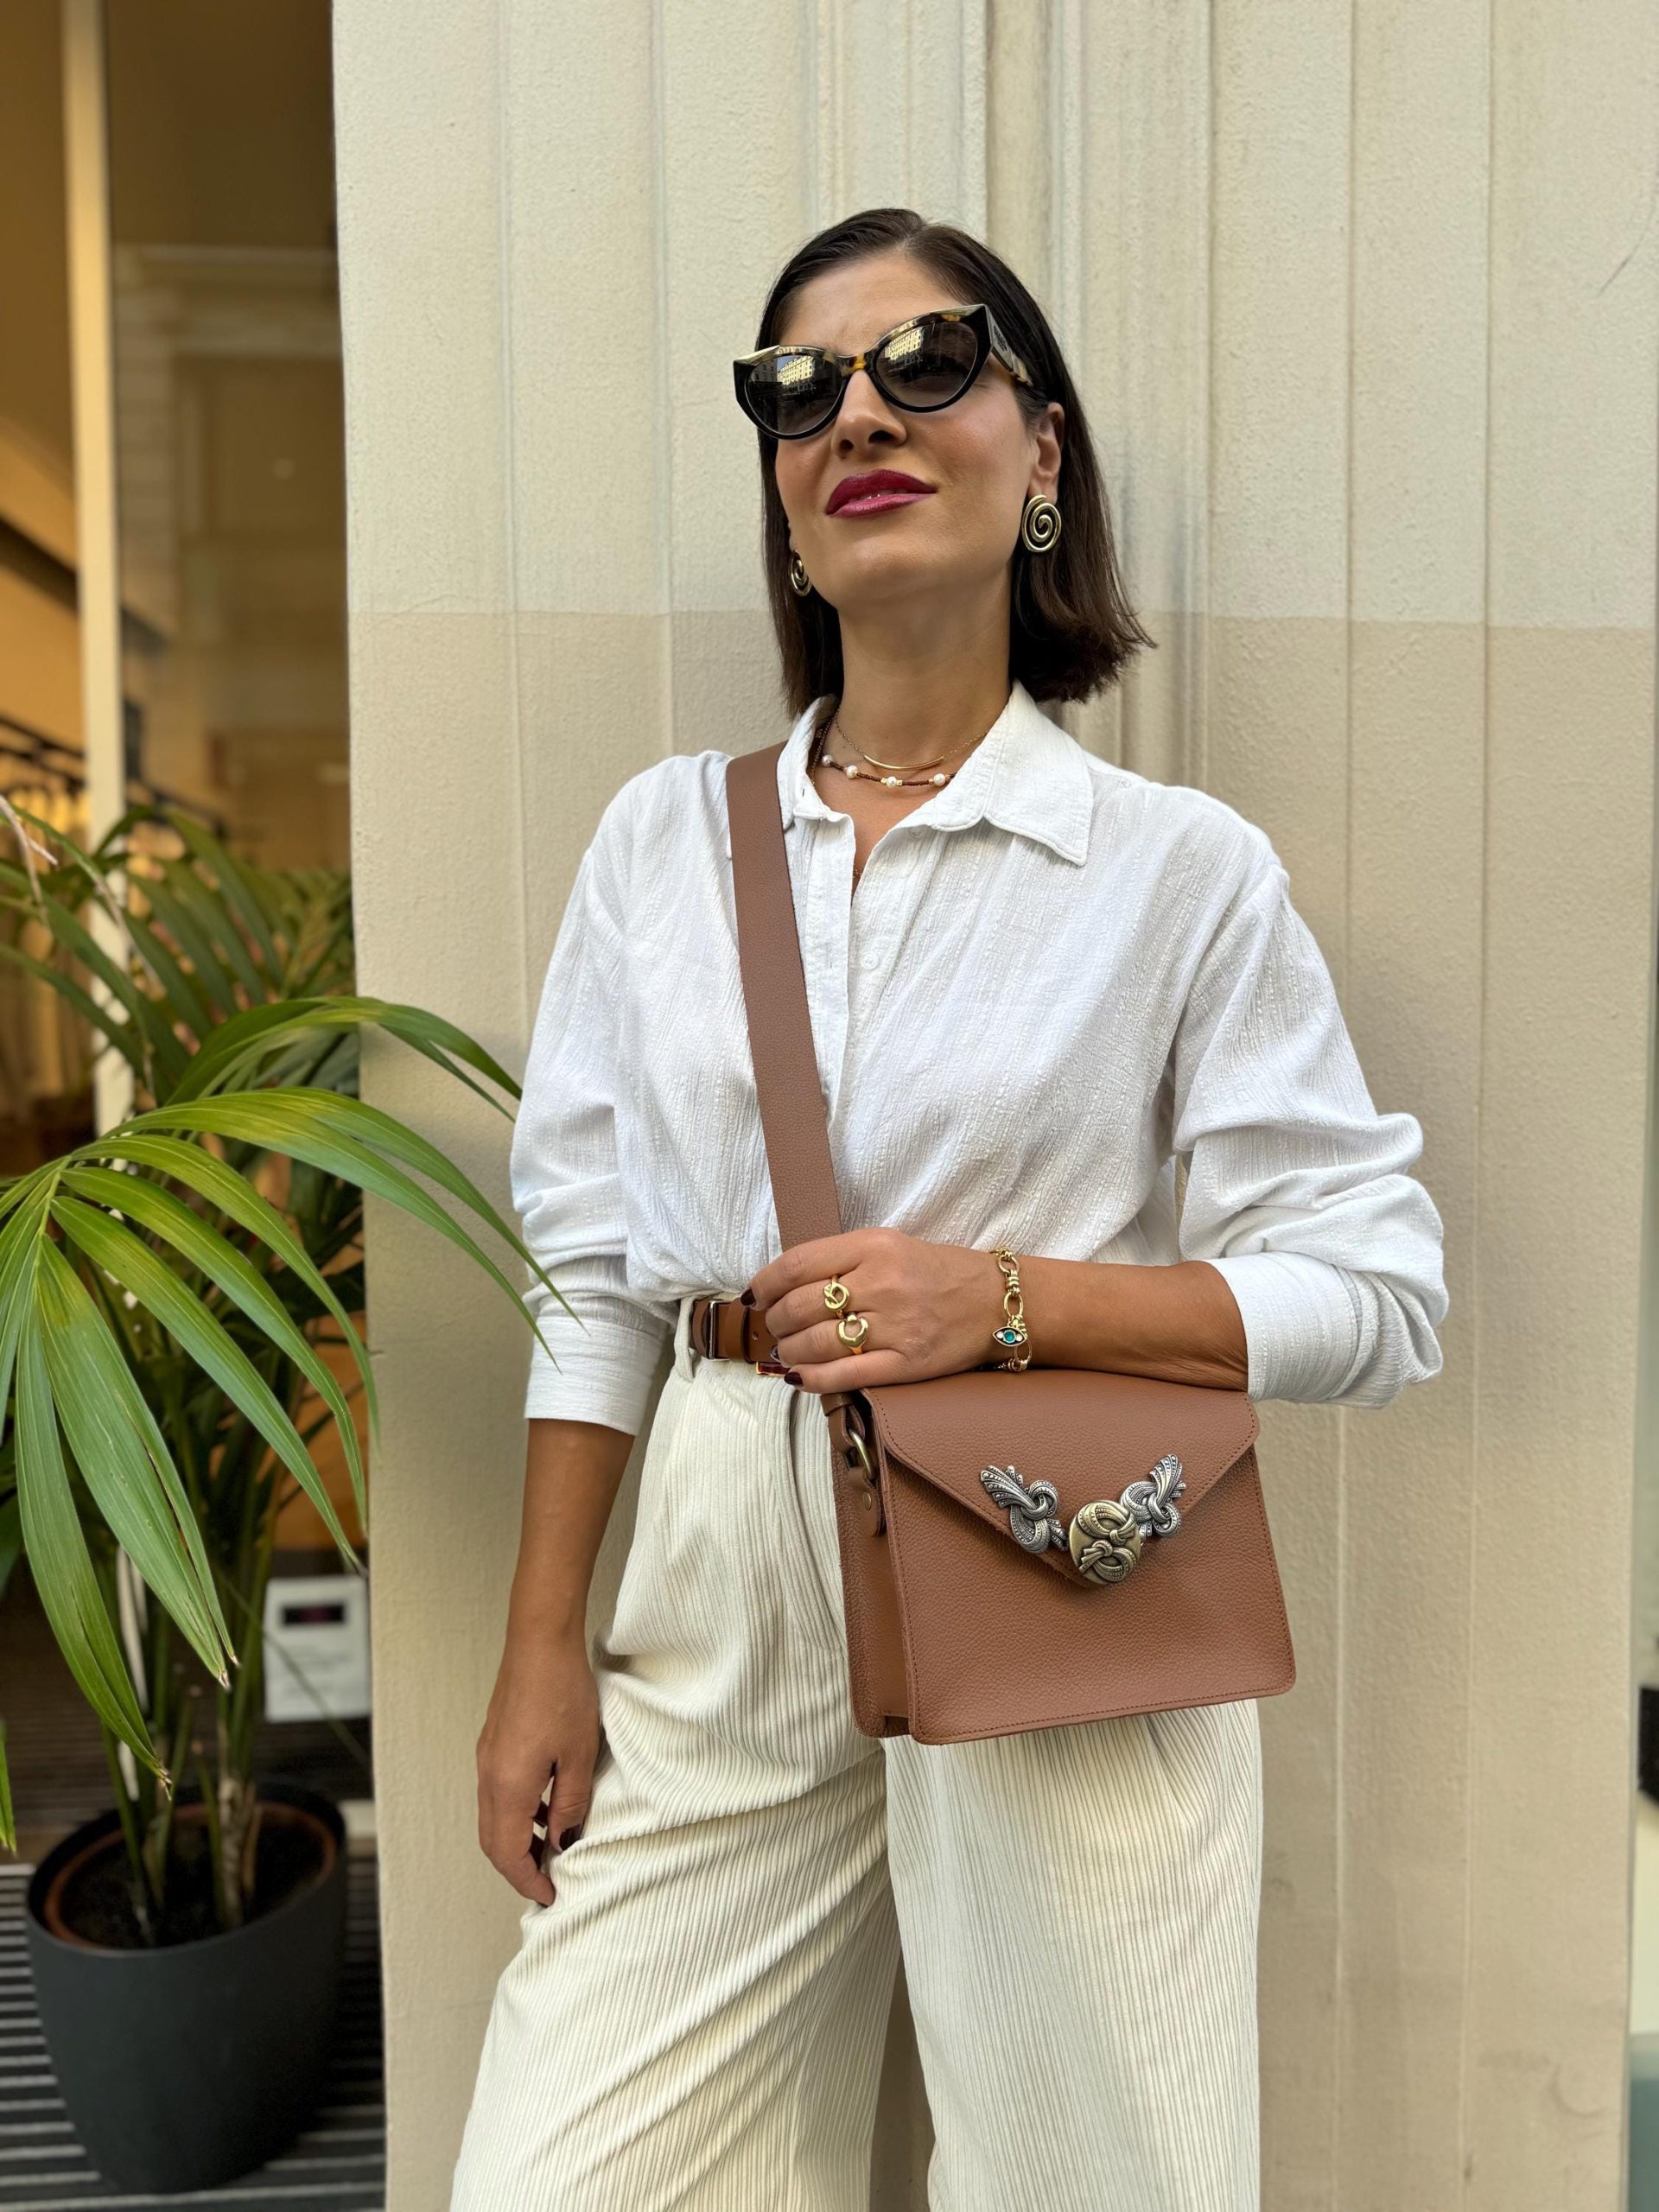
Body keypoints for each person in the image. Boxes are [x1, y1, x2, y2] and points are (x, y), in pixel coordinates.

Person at [448, 207, 1448, 2212]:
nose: (859, 414)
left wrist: (999, 1299)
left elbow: (1379, 1292)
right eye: (798, 388)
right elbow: (592, 1264)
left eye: (929, 362)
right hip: (719, 1568)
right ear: (780, 491)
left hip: (1050, 1562)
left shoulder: (1173, 872)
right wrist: (542, 1640)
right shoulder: (663, 842)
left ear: (1042, 449)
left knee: (1101, 2176)